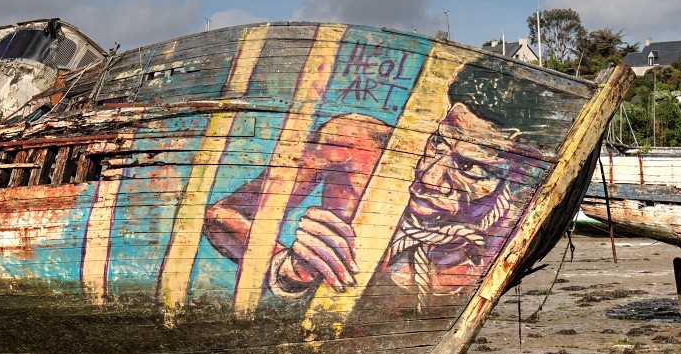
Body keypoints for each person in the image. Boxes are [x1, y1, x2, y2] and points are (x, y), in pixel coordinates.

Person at [203, 62, 549, 314]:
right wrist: (285, 264)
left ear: (521, 171)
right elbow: (222, 215)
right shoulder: (358, 146)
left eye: (470, 167)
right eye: (438, 144)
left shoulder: (519, 214)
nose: (429, 177)